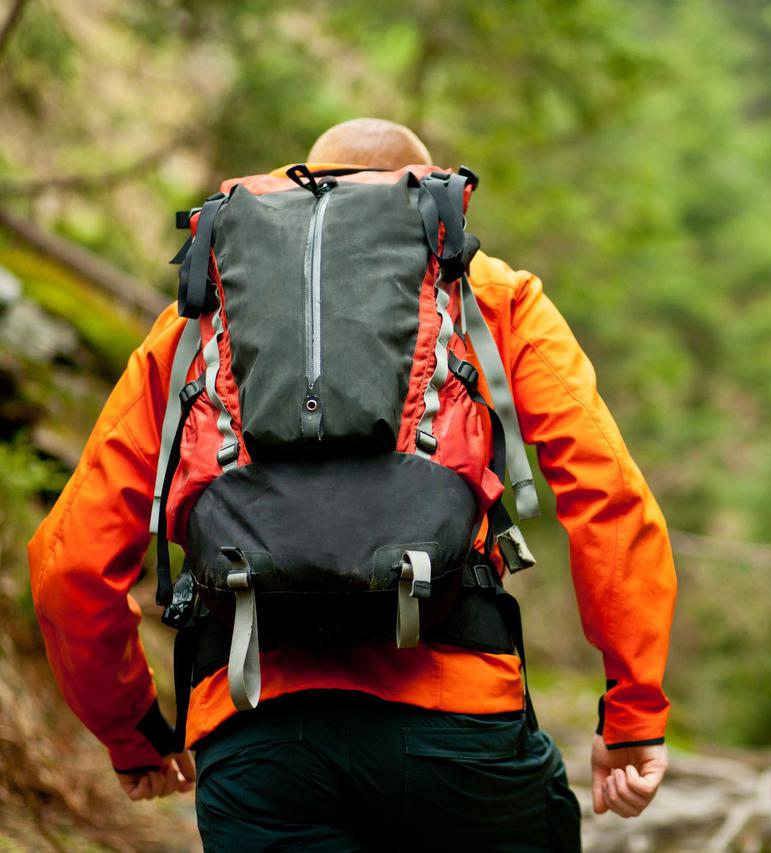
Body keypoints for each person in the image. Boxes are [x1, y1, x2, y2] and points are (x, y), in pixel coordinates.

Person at [27, 118, 677, 849]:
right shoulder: (487, 293)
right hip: (458, 723)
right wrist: (632, 713)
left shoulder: (197, 317)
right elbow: (609, 499)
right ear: (425, 195)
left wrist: (136, 729)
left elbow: (70, 566)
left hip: (257, 739)